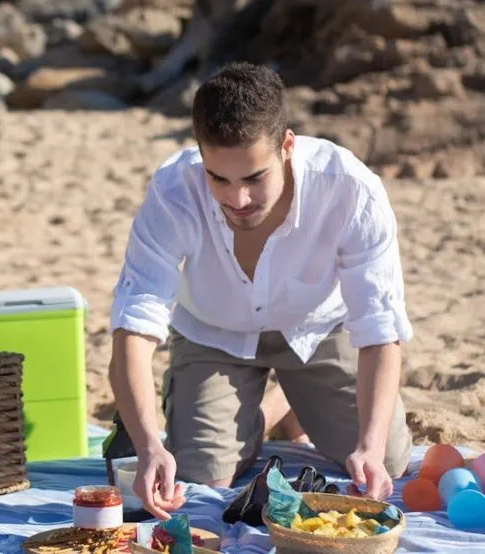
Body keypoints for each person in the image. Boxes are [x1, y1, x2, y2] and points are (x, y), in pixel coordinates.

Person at [107, 61, 413, 520]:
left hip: (318, 332)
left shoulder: (351, 189)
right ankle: (270, 406)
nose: (238, 200)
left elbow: (379, 329)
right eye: (218, 178)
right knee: (199, 472)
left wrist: (368, 446)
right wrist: (150, 446)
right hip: (214, 333)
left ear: (287, 146)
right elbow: (133, 325)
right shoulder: (173, 191)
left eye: (253, 178)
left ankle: (291, 395)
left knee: (386, 460)